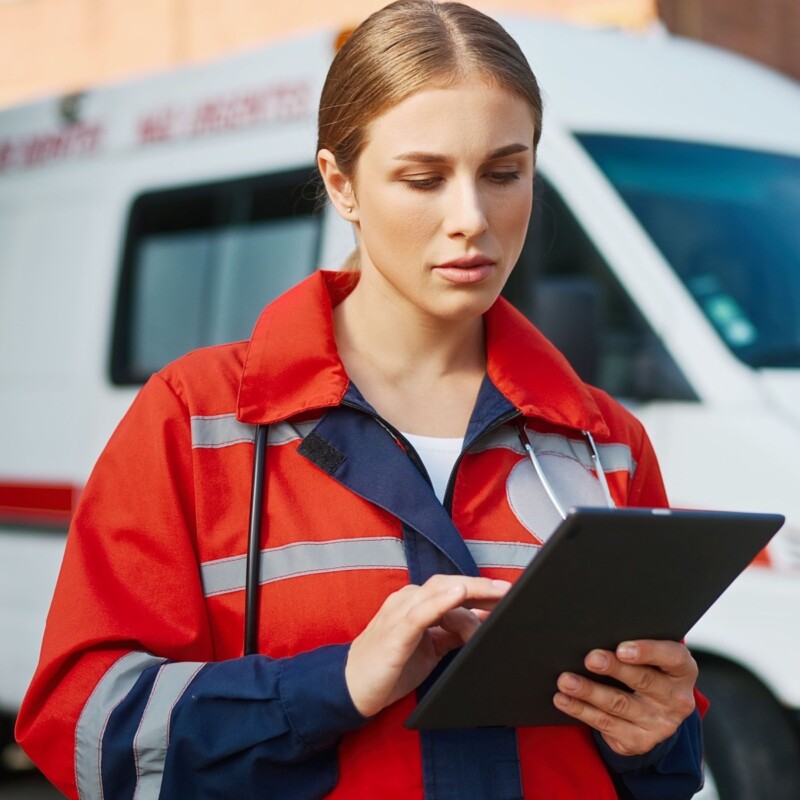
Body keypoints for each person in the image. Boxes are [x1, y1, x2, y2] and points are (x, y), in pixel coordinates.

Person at [16, 2, 706, 798]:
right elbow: (85, 731)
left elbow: (663, 767)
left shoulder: (605, 441)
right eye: (423, 179)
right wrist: (333, 685)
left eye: (503, 173)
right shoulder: (195, 418)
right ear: (340, 184)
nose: (471, 220)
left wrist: (659, 730)